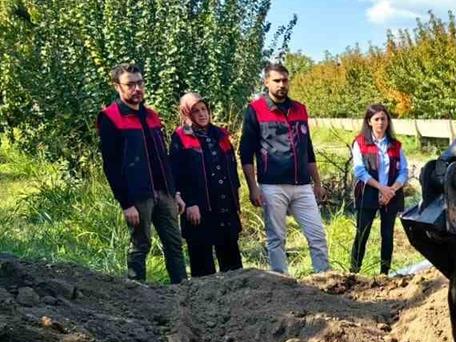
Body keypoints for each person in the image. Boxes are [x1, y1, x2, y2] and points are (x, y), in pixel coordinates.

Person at [97, 63, 188, 284]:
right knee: (140, 244)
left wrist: (175, 192)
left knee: (174, 243)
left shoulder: (152, 116)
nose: (136, 88)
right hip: (138, 194)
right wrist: (125, 203)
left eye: (140, 83)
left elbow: (163, 157)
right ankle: (136, 292)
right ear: (117, 86)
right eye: (130, 84)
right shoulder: (109, 117)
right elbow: (111, 165)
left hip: (164, 191)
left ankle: (183, 290)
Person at [238, 61, 329, 274]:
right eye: (277, 80)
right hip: (272, 185)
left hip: (302, 185)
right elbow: (246, 153)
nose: (281, 85)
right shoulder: (255, 110)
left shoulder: (299, 109)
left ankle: (325, 277)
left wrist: (317, 183)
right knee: (276, 238)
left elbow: (308, 148)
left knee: (317, 235)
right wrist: (253, 187)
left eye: (285, 80)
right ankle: (281, 281)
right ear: (266, 82)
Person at [169, 93, 243, 277]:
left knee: (232, 260)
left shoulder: (220, 134)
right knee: (202, 261)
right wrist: (190, 202)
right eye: (196, 111)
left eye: (204, 109)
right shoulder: (180, 137)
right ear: (186, 113)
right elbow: (177, 173)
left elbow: (231, 168)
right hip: (198, 207)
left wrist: (236, 200)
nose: (202, 114)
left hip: (224, 203)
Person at [350, 104, 408, 275]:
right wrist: (381, 188)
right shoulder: (360, 143)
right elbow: (359, 171)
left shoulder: (396, 145)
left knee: (388, 235)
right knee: (362, 234)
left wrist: (391, 190)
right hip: (368, 193)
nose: (380, 122)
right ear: (369, 121)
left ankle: (384, 274)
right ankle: (354, 272)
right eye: (376, 119)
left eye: (384, 119)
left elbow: (404, 171)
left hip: (391, 195)